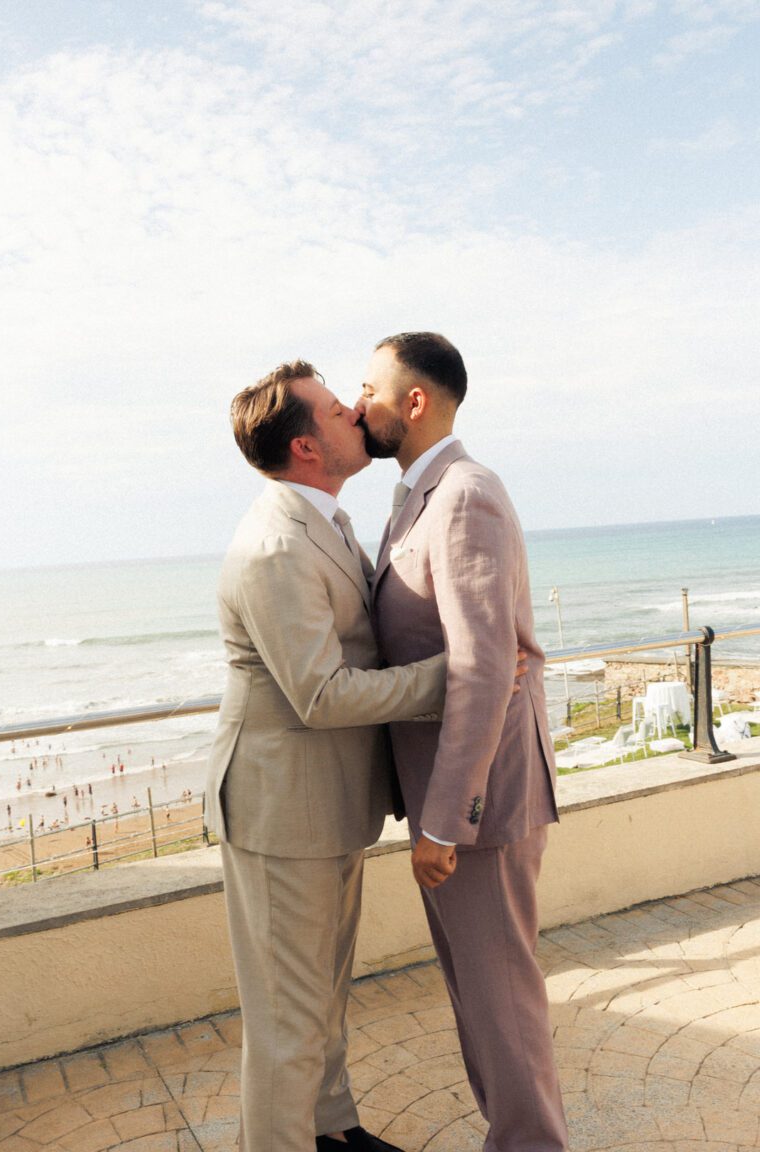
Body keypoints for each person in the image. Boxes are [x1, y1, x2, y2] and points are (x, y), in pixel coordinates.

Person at [204, 360, 449, 1152]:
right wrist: (453, 677)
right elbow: (323, 694)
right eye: (341, 409)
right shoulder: (277, 544)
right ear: (308, 447)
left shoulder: (326, 520)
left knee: (322, 995)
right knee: (286, 1016)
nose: (359, 413)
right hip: (281, 813)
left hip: (326, 802)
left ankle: (333, 1129)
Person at [357, 332, 568, 1152]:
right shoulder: (417, 495)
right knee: (481, 999)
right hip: (448, 799)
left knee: (501, 1002)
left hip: (477, 806)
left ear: (415, 401)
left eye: (370, 387)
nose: (357, 402)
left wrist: (444, 820)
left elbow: (484, 668)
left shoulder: (464, 493)